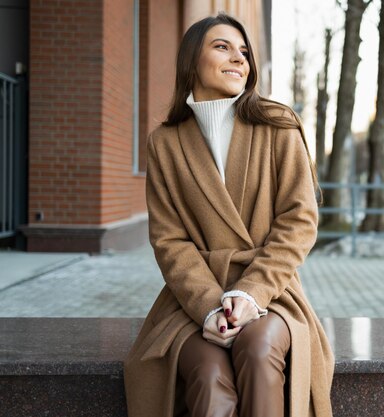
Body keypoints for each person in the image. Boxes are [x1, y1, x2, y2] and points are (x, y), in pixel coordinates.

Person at [124, 13, 334, 417]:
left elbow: (299, 221)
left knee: (258, 348)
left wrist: (249, 294)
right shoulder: (165, 143)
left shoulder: (278, 125)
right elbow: (170, 240)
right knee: (207, 373)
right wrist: (208, 306)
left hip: (272, 291)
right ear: (192, 61)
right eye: (222, 47)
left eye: (244, 52)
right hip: (193, 299)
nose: (239, 58)